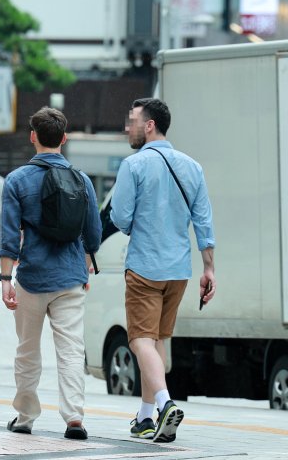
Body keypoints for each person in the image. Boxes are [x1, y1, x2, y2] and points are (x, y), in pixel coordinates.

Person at [110, 98, 216, 443]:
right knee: (157, 341)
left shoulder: (134, 164)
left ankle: (164, 403)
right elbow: (203, 221)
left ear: (150, 125)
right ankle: (144, 417)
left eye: (133, 121)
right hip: (180, 269)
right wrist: (209, 268)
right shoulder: (192, 166)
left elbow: (121, 217)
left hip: (144, 266)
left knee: (140, 339)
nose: (129, 128)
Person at [0, 107, 101, 440]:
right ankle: (74, 418)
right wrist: (85, 262)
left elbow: (9, 237)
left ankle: (26, 416)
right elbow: (94, 234)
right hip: (71, 277)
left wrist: (4, 280)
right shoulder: (82, 179)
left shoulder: (16, 180)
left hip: (32, 278)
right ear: (64, 138)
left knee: (28, 348)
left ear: (33, 136)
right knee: (71, 350)